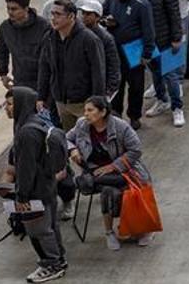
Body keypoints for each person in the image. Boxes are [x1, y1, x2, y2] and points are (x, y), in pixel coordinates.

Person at [65, 95, 154, 250]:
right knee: (108, 190)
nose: (85, 114)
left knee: (122, 188)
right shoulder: (81, 125)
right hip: (95, 170)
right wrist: (72, 149)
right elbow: (65, 139)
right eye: (85, 110)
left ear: (103, 112)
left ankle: (140, 228)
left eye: (90, 110)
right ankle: (110, 232)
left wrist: (113, 166)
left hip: (124, 171)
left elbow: (136, 150)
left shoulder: (121, 127)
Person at [2, 87, 67, 284]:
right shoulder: (37, 123)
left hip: (35, 190)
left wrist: (22, 195)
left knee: (38, 229)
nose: (7, 108)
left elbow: (26, 168)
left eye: (10, 103)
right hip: (46, 185)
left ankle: (51, 264)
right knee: (50, 225)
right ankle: (58, 259)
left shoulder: (26, 133)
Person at [35, 0, 107, 132]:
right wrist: (41, 96)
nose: (53, 18)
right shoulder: (50, 38)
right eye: (52, 14)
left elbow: (98, 73)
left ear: (71, 16)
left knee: (90, 138)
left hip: (84, 102)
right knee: (70, 140)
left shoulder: (89, 39)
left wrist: (97, 104)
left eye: (58, 14)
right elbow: (44, 68)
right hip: (61, 101)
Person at [0, 0, 49, 92]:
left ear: (26, 9)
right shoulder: (5, 27)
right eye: (8, 8)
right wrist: (3, 74)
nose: (10, 12)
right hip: (20, 81)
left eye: (14, 9)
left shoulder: (43, 26)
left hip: (44, 82)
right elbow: (1, 51)